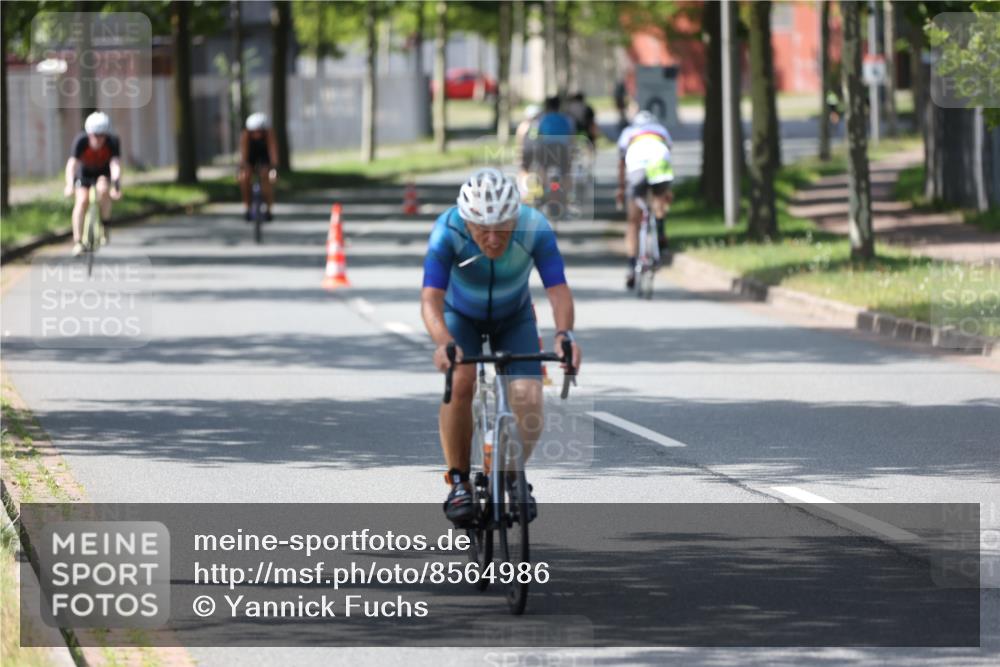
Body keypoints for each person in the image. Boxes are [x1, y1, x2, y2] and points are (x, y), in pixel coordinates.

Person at [420, 168, 582, 526]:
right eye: (482, 230)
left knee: (529, 396)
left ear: (515, 218)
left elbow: (557, 288)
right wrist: (444, 342)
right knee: (461, 382)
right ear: (466, 222)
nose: (493, 239)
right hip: (461, 317)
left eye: (502, 229)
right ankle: (459, 481)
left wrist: (564, 335)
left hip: (514, 318)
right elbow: (431, 298)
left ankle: (510, 473)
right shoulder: (447, 230)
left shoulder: (534, 226)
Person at [615, 110, 675, 289]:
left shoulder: (628, 132)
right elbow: (668, 154)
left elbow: (621, 164)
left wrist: (622, 188)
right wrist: (667, 191)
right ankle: (661, 232)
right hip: (660, 160)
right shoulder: (661, 130)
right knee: (659, 198)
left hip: (637, 164)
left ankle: (631, 266)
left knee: (633, 221)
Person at [63, 111, 122, 256]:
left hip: (103, 173)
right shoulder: (81, 141)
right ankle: (78, 241)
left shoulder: (112, 141)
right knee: (82, 201)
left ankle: (105, 226)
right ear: (89, 134)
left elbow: (115, 165)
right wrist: (69, 184)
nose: (99, 139)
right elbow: (72, 165)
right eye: (96, 135)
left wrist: (116, 186)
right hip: (84, 174)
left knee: (103, 191)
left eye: (102, 135)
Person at [239, 112, 278, 221]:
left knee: (267, 177)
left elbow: (273, 152)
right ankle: (247, 207)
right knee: (244, 178)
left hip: (265, 157)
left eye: (259, 131)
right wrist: (243, 168)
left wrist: (273, 169)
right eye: (253, 132)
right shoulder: (246, 136)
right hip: (251, 157)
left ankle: (269, 209)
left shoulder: (269, 135)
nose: (257, 134)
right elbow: (243, 154)